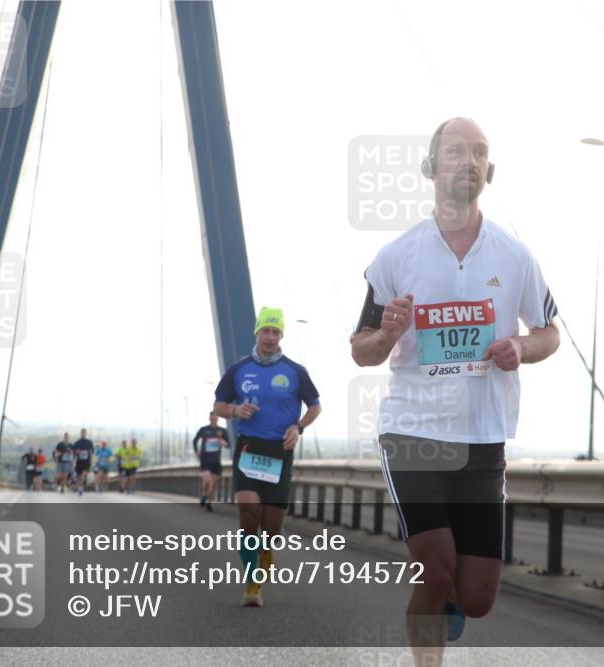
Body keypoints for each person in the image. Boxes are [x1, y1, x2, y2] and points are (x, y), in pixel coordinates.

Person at [350, 118, 560, 659]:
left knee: (478, 595)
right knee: (436, 567)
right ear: (430, 166)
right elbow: (361, 348)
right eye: (456, 151)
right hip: (413, 433)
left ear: (488, 170)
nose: (469, 160)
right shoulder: (396, 257)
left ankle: (444, 599)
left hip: (482, 437)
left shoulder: (515, 257)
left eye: (480, 152)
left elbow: (550, 333)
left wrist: (521, 349)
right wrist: (388, 333)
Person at [214, 306, 321, 607]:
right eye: (266, 331)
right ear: (257, 333)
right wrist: (234, 410)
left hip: (279, 452)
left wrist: (298, 427)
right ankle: (252, 582)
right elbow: (219, 406)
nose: (271, 337)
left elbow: (315, 406)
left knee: (271, 528)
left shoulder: (295, 371)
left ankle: (267, 550)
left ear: (281, 336)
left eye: (276, 332)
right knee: (249, 513)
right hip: (249, 448)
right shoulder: (239, 369)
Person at [192, 411, 228, 511]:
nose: (214, 420)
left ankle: (209, 503)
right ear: (209, 418)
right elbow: (195, 440)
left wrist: (223, 443)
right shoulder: (204, 430)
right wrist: (196, 451)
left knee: (214, 483)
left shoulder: (222, 431)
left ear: (218, 419)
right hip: (205, 459)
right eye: (212, 418)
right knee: (208, 480)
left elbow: (228, 444)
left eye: (215, 419)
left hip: (216, 461)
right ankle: (204, 494)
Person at [73, 428, 95, 497]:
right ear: (80, 433)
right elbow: (74, 452)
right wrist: (77, 452)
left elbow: (92, 451)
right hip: (79, 461)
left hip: (87, 461)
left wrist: (91, 456)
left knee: (83, 475)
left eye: (84, 433)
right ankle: (80, 488)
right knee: (79, 476)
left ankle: (81, 487)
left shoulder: (89, 442)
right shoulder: (77, 443)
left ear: (86, 433)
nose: (83, 434)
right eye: (82, 433)